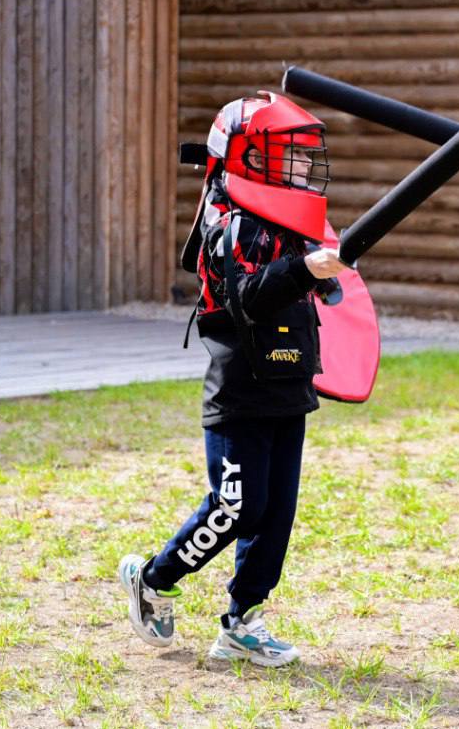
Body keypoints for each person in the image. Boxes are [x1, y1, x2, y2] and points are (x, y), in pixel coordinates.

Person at [119, 92, 346, 667]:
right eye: (291, 152)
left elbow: (319, 290)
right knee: (237, 507)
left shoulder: (291, 224)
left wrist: (323, 271)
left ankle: (243, 621)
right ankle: (153, 579)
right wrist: (303, 269)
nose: (303, 163)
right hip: (241, 392)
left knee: (275, 514)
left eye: (305, 153)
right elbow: (244, 295)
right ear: (251, 156)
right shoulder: (231, 224)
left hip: (289, 385)